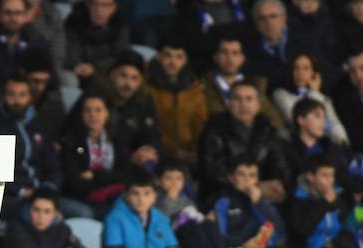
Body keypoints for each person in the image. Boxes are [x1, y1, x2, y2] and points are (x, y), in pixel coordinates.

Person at [197, 80, 291, 207]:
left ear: (258, 104)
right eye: (237, 99)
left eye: (249, 99)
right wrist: (254, 186)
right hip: (223, 194)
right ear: (228, 103)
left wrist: (277, 185)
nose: (243, 104)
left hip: (263, 194)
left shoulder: (268, 129)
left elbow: (280, 166)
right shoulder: (214, 128)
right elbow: (211, 172)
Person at [0, 72, 61, 219]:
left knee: (79, 212)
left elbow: (53, 164)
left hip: (41, 194)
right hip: (8, 196)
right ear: (3, 96)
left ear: (30, 97)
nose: (16, 100)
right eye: (11, 94)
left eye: (22, 95)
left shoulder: (40, 123)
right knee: (40, 217)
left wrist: (48, 188)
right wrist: (20, 190)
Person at [212, 157, 292, 248]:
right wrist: (244, 245)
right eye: (241, 174)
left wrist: (259, 203)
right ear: (231, 178)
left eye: (252, 175)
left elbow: (279, 231)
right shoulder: (223, 202)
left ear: (257, 180)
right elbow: (220, 235)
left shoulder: (263, 202)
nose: (247, 180)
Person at [101, 170, 181, 248]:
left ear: (154, 196)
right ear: (127, 195)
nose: (141, 199)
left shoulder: (161, 219)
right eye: (135, 193)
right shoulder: (114, 218)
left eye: (146, 193)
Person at [61, 92, 130, 218]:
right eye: (87, 110)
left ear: (107, 113)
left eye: (98, 110)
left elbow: (125, 174)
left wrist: (95, 175)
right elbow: (74, 184)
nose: (93, 115)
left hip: (113, 194)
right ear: (81, 115)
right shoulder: (71, 141)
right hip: (83, 199)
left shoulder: (117, 140)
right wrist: (108, 178)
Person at [3, 189, 92, 248]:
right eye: (36, 210)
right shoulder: (15, 227)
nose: (41, 216)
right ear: (28, 209)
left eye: (47, 211)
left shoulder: (63, 229)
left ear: (55, 213)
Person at [147, 34, 209, 167]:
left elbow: (200, 125)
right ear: (158, 57)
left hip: (189, 158)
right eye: (168, 56)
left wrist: (196, 151)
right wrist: (172, 152)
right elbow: (149, 128)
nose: (173, 62)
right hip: (156, 156)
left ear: (185, 60)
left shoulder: (194, 90)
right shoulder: (147, 87)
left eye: (179, 57)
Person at [94, 50, 161, 170]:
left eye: (134, 78)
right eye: (123, 76)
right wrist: (130, 158)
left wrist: (149, 149)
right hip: (100, 166)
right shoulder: (95, 97)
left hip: (134, 164)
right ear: (112, 75)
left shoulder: (144, 100)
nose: (128, 84)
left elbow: (152, 133)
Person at [290, 155, 360, 248]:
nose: (330, 180)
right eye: (324, 175)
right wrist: (325, 203)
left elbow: (348, 228)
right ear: (310, 176)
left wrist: (336, 203)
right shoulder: (297, 200)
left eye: (332, 175)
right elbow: (302, 231)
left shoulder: (339, 199)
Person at [200, 35, 284, 129]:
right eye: (224, 52)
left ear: (242, 59)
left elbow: (274, 121)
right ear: (216, 57)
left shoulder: (256, 85)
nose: (230, 58)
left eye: (235, 53)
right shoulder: (202, 88)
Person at [271, 52, 348, 144]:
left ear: (314, 73)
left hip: (331, 145)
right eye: (296, 68)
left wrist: (343, 143)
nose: (300, 72)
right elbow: (299, 123)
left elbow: (335, 124)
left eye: (306, 68)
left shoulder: (323, 98)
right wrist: (314, 92)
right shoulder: (281, 95)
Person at [0, 0, 49, 91]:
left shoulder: (36, 41)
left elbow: (51, 83)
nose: (13, 18)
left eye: (18, 13)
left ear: (25, 15)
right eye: (8, 13)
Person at [62, 0, 130, 83]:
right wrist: (77, 65)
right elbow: (69, 50)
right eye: (94, 4)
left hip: (106, 72)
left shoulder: (120, 27)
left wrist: (95, 67)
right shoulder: (73, 23)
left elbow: (122, 57)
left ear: (114, 7)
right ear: (88, 5)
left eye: (105, 5)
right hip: (76, 71)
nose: (98, 10)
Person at [333, 48, 363, 155]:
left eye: (362, 68)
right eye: (352, 71)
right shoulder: (342, 96)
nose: (358, 76)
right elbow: (354, 137)